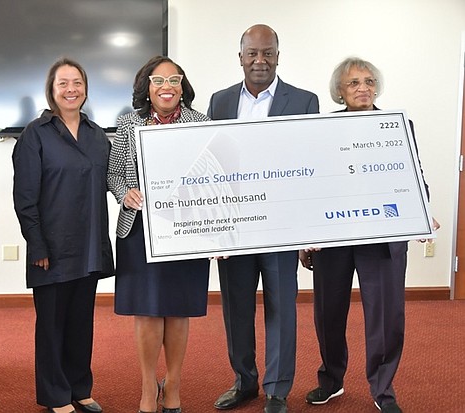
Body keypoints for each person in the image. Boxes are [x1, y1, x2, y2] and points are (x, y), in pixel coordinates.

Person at [300, 57, 439, 413]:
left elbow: (412, 177)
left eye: (368, 81)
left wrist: (420, 215)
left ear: (376, 87)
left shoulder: (397, 126)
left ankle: (383, 388)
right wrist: (305, 235)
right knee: (328, 313)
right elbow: (311, 184)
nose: (363, 88)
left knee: (386, 315)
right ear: (340, 92)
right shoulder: (321, 128)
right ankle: (331, 380)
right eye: (353, 83)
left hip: (383, 235)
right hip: (334, 237)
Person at [207, 24, 319, 413]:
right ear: (240, 57)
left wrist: (308, 230)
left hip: (281, 228)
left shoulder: (304, 101)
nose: (260, 60)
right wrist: (214, 231)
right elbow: (213, 168)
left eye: (267, 52)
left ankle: (276, 390)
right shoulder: (219, 102)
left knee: (282, 309)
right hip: (235, 228)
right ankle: (245, 382)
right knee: (236, 308)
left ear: (278, 56)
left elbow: (310, 168)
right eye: (252, 53)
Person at [107, 55, 210, 413]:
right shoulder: (127, 124)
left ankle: (175, 384)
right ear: (146, 88)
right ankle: (149, 387)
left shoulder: (202, 123)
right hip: (139, 230)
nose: (167, 87)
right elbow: (114, 173)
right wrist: (125, 194)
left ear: (183, 86)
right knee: (148, 312)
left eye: (174, 80)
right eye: (158, 81)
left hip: (186, 229)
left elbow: (213, 177)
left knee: (178, 311)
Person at [12, 58, 114, 413]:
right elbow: (24, 197)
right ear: (51, 90)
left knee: (80, 323)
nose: (71, 89)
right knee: (52, 326)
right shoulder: (34, 134)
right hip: (51, 249)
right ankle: (55, 394)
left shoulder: (98, 135)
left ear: (85, 88)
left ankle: (79, 387)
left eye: (77, 83)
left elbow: (108, 186)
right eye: (63, 83)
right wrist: (36, 243)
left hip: (88, 247)